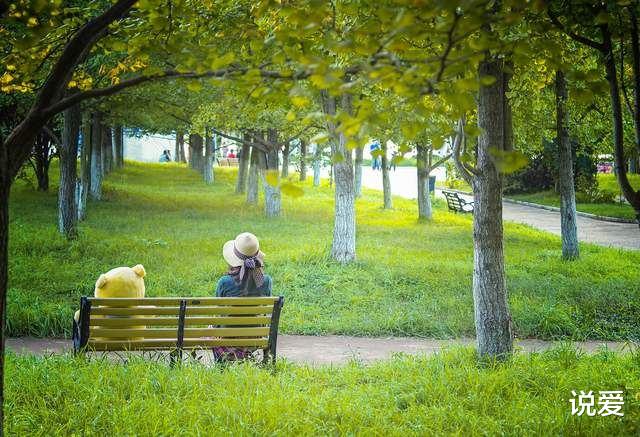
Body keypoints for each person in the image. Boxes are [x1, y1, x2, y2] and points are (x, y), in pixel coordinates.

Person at [213, 232, 272, 361]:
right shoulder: (266, 281)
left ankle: (221, 366)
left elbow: (217, 311)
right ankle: (246, 357)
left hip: (227, 336)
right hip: (255, 336)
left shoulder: (224, 282)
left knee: (212, 327)